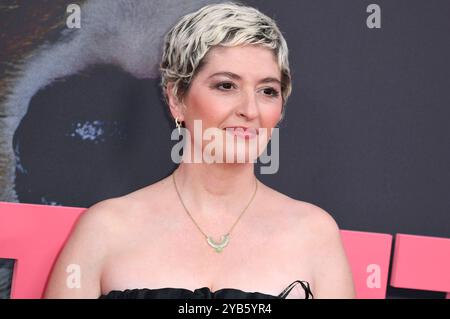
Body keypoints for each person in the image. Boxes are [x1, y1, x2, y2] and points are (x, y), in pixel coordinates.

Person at [44, 2, 355, 299]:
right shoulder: (107, 229)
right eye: (226, 85)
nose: (250, 109)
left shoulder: (314, 235)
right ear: (177, 99)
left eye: (267, 91)